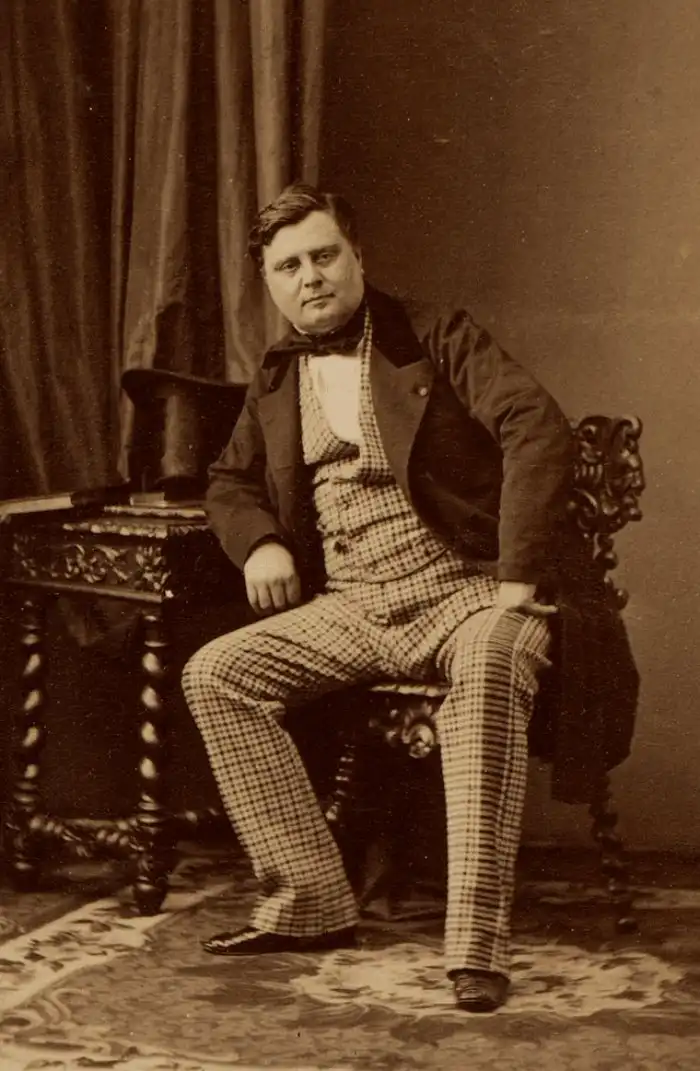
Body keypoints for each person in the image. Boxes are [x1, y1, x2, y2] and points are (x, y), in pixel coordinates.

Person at [181, 183, 638, 1013]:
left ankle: (477, 948)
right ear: (271, 284)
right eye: (289, 266)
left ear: (357, 257)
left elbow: (536, 426)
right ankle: (311, 901)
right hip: (355, 605)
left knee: (492, 665)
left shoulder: (436, 334)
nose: (311, 277)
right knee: (217, 674)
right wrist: (263, 542)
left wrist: (515, 580)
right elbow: (227, 480)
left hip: (468, 590)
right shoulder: (277, 374)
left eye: (325, 255)